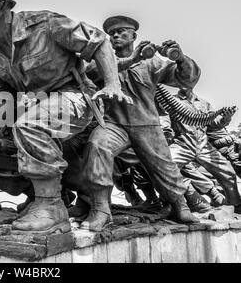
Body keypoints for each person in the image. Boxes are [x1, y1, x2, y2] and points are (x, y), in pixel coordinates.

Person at [0, 0, 132, 235]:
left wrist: (112, 84)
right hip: (38, 104)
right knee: (1, 139)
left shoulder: (44, 23)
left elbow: (98, 41)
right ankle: (43, 196)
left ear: (5, 5)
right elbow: (0, 91)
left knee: (31, 125)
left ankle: (50, 206)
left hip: (75, 96)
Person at [71, 15, 202, 231]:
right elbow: (87, 74)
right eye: (112, 33)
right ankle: (100, 209)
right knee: (97, 145)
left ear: (134, 36)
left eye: (122, 31)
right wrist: (131, 59)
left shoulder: (152, 62)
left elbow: (186, 80)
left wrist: (180, 58)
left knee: (164, 166)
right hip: (115, 125)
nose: (116, 35)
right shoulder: (103, 61)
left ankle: (179, 205)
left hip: (147, 125)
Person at [167, 87, 241, 212]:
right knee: (167, 166)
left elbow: (214, 125)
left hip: (203, 144)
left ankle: (236, 205)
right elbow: (164, 122)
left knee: (227, 171)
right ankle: (175, 206)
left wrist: (226, 117)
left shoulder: (203, 103)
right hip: (182, 143)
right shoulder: (171, 101)